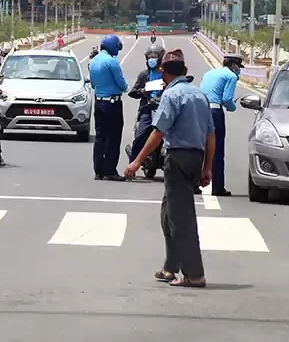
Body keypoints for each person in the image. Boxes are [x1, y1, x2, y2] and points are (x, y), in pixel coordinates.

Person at [124, 49, 215, 288]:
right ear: (185, 72)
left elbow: (159, 131)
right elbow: (211, 135)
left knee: (181, 219)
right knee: (168, 214)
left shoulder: (171, 95)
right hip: (195, 158)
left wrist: (136, 161)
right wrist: (207, 168)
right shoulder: (200, 96)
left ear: (163, 73)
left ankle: (194, 274)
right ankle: (170, 268)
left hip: (177, 158)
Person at [199, 53, 244, 197]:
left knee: (199, 148)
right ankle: (218, 187)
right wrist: (232, 107)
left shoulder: (209, 72)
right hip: (214, 111)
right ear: (234, 66)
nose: (239, 71)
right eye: (238, 67)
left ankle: (194, 183)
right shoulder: (231, 76)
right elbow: (226, 99)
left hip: (200, 110)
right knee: (217, 150)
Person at [88, 34, 128, 181]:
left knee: (100, 137)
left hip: (99, 102)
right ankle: (110, 170)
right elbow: (122, 85)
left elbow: (92, 84)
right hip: (112, 103)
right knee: (113, 137)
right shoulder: (112, 62)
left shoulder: (93, 62)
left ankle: (98, 171)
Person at [126, 44, 166, 164]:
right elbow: (133, 92)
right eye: (150, 58)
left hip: (164, 109)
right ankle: (132, 163)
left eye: (154, 57)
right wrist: (143, 91)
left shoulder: (166, 75)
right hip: (148, 108)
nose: (151, 60)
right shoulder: (144, 75)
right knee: (140, 136)